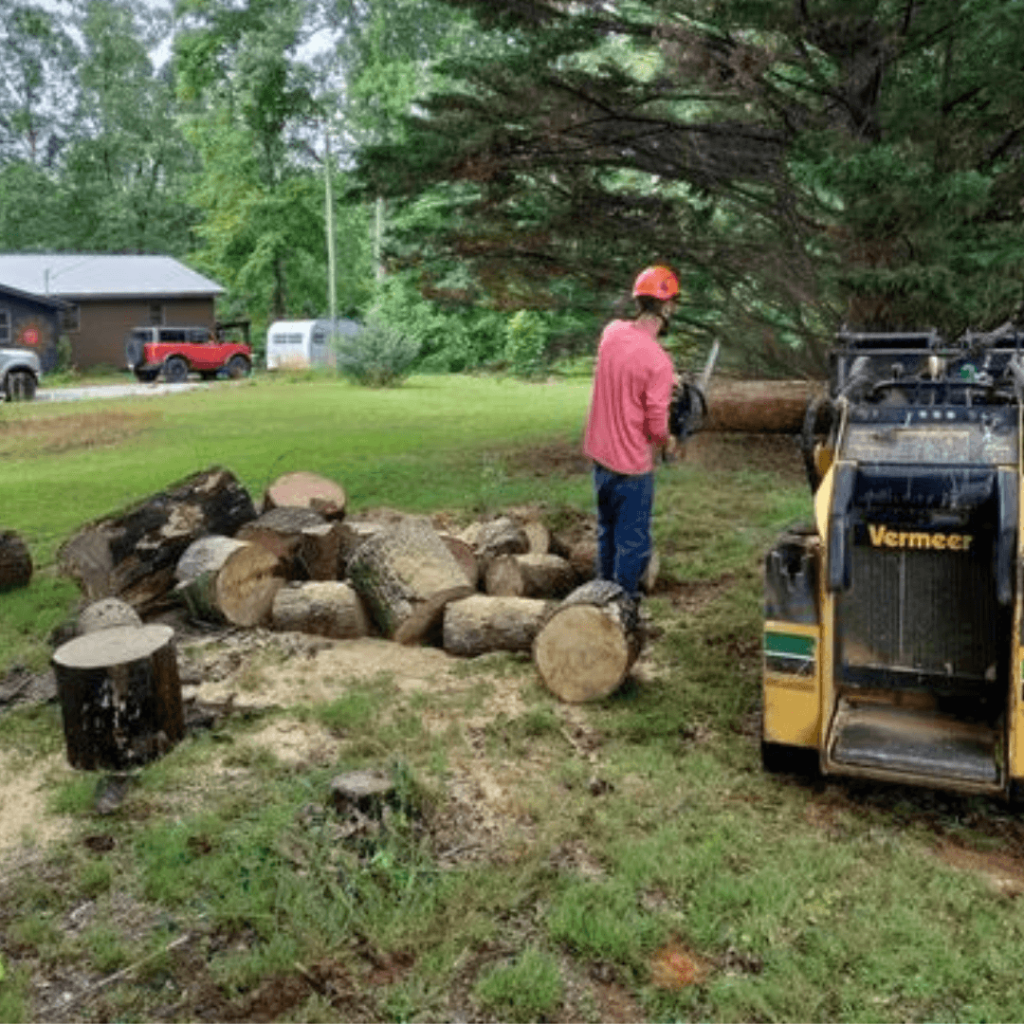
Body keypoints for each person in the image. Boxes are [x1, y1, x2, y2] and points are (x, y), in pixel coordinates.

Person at [583, 265, 680, 600]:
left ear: (639, 301)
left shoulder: (611, 333)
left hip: (600, 455)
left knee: (606, 532)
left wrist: (669, 380)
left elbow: (625, 367)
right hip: (631, 467)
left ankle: (599, 599)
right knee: (633, 542)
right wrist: (668, 442)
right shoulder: (658, 362)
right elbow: (656, 427)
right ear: (667, 307)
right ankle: (624, 609)